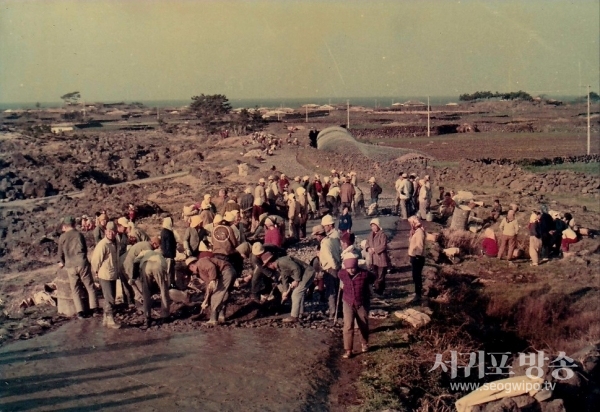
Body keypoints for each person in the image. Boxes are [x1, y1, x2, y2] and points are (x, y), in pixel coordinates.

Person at [58, 216, 99, 319]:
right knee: (90, 286)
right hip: (82, 262)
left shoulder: (62, 237)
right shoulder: (79, 234)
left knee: (75, 289)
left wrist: (63, 262)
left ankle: (80, 312)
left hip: (70, 265)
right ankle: (94, 309)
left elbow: (60, 254)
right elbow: (84, 249)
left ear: (65, 226)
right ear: (74, 224)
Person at [263, 252, 315, 323]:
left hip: (308, 272)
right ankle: (300, 313)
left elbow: (296, 268)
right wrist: (285, 291)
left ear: (270, 263)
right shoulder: (280, 266)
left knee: (296, 293)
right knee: (299, 292)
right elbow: (285, 279)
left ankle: (294, 317)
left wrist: (296, 280)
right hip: (305, 274)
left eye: (267, 266)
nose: (268, 267)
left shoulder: (282, 262)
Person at [338, 256, 375, 359]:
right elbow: (341, 281)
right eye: (348, 268)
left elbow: (373, 278)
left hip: (362, 302)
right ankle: (348, 350)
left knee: (363, 323)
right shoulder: (342, 274)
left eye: (353, 268)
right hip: (348, 302)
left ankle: (364, 343)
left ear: (356, 266)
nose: (351, 270)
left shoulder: (364, 274)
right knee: (348, 325)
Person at [186, 256, 236, 325]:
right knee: (224, 294)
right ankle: (221, 317)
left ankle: (213, 320)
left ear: (191, 266)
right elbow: (208, 285)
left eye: (190, 269)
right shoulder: (201, 271)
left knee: (216, 295)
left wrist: (213, 279)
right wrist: (206, 299)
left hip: (226, 272)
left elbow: (211, 267)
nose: (191, 271)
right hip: (230, 271)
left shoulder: (201, 262)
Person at [91, 221, 121, 329]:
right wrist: (95, 273)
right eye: (109, 231)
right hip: (105, 274)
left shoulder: (116, 242)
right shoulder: (103, 245)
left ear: (116, 232)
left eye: (113, 232)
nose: (111, 234)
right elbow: (95, 261)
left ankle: (105, 319)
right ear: (105, 231)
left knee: (110, 297)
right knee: (110, 299)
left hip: (113, 273)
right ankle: (110, 320)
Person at [312, 215, 342, 320]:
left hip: (330, 269)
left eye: (316, 236)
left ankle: (333, 313)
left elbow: (330, 258)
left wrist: (334, 267)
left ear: (319, 235)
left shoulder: (325, 244)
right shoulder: (331, 239)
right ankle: (338, 311)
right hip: (335, 267)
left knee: (331, 291)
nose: (316, 238)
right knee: (336, 289)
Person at [136, 249, 171, 327]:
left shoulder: (146, 252)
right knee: (163, 289)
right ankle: (165, 316)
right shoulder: (161, 257)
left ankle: (147, 317)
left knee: (146, 292)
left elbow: (136, 260)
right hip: (158, 265)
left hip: (146, 265)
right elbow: (166, 271)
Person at [365, 218, 390, 297]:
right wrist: (368, 248)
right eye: (372, 226)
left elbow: (383, 246)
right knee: (375, 275)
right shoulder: (370, 235)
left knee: (381, 276)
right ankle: (377, 291)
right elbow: (367, 243)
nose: (373, 227)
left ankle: (380, 291)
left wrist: (374, 250)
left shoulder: (382, 235)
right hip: (373, 259)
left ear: (378, 226)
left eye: (374, 226)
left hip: (381, 258)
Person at [407, 216, 426, 304]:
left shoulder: (419, 233)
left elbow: (419, 246)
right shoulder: (416, 232)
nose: (410, 225)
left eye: (411, 223)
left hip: (417, 257)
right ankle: (417, 293)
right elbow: (412, 241)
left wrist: (417, 256)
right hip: (414, 256)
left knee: (417, 276)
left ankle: (418, 295)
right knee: (415, 276)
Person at [160, 217, 177, 287]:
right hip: (169, 255)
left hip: (165, 254)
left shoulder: (163, 231)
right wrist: (171, 256)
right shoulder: (168, 232)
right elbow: (169, 245)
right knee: (170, 271)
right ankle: (170, 285)